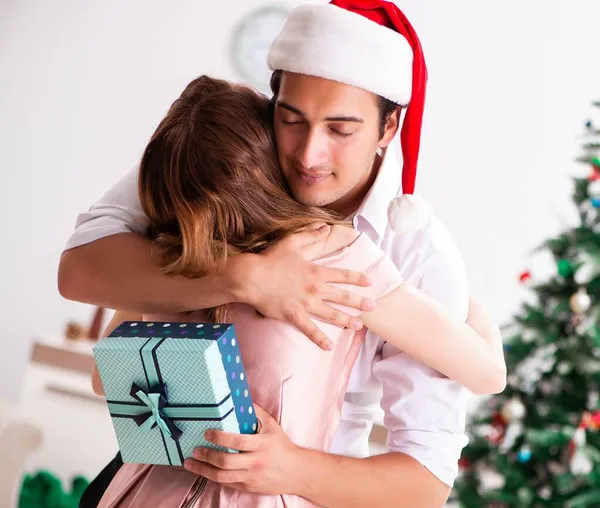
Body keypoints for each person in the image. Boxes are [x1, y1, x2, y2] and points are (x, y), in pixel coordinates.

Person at [59, 1, 504, 506]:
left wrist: (291, 470)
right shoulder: (217, 173)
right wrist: (245, 277)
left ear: (387, 128)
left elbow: (447, 442)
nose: (309, 155)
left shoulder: (374, 254)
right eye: (291, 120)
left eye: (341, 130)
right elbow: (91, 311)